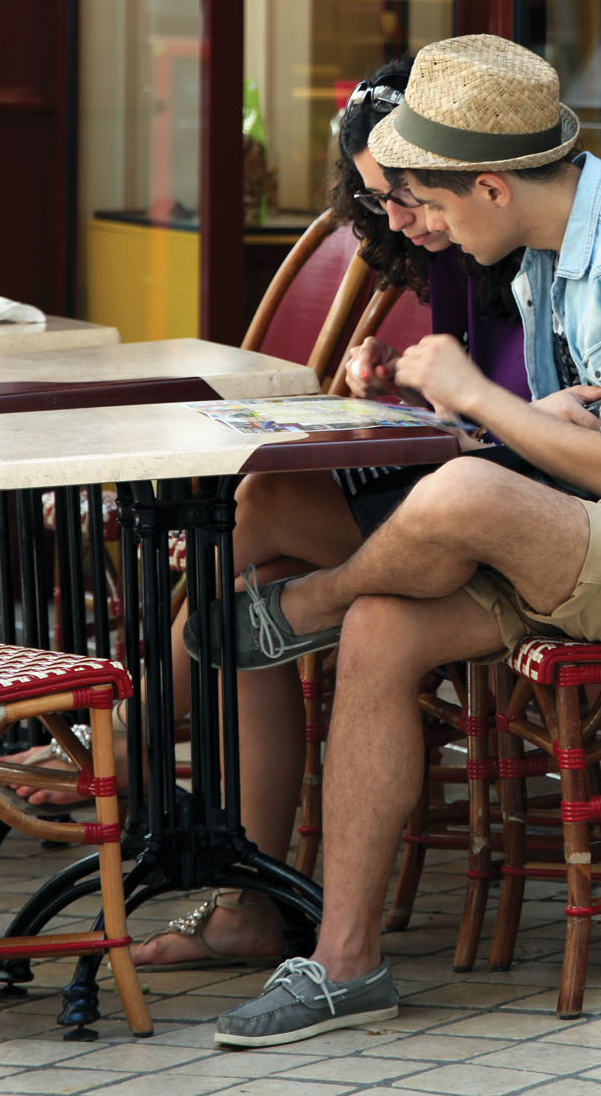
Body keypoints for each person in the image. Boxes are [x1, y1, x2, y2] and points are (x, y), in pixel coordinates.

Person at [191, 34, 601, 1047]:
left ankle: (306, 607)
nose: (419, 221)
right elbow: (596, 438)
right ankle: (345, 961)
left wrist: (478, 398)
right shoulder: (554, 252)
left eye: (430, 200)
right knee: (389, 623)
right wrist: (523, 412)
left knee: (464, 486)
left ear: (491, 184)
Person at [125, 56, 533, 968]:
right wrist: (400, 387)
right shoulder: (451, 249)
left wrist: (453, 403)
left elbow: (532, 418)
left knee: (256, 514)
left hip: (507, 520)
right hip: (462, 486)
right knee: (258, 578)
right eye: (375, 197)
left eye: (404, 193)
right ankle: (247, 903)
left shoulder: (517, 245)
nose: (395, 218)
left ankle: (121, 738)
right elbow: (476, 407)